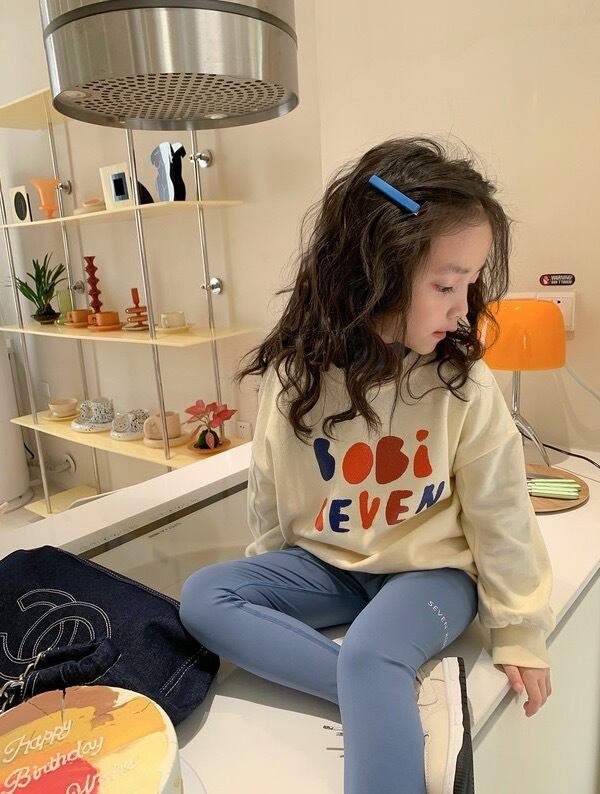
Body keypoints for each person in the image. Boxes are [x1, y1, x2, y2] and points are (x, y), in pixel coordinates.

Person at [179, 136, 556, 794]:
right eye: (446, 285)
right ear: (375, 270)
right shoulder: (297, 375)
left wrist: (518, 629)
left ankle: (376, 687)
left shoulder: (461, 381)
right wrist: (269, 578)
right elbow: (269, 485)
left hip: (431, 572)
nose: (463, 307)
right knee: (202, 596)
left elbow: (499, 507)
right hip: (329, 567)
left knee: (370, 653)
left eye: (469, 284)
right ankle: (385, 699)